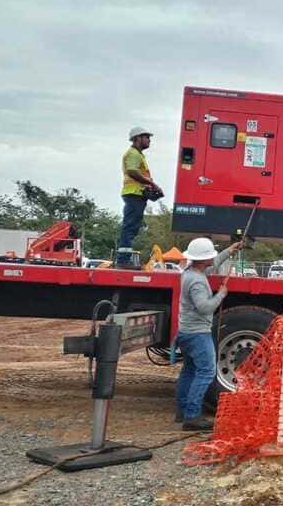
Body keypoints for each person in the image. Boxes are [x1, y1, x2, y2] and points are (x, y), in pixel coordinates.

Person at [175, 237, 243, 430]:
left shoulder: (190, 273)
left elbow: (212, 268)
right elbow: (205, 308)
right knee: (206, 372)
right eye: (211, 255)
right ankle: (192, 417)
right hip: (198, 334)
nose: (213, 259)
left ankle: (182, 412)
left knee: (189, 370)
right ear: (203, 260)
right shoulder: (197, 281)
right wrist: (221, 294)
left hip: (186, 332)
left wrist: (229, 250)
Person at [116, 127, 162, 267]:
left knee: (133, 227)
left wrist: (149, 186)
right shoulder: (133, 154)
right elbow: (132, 171)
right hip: (133, 193)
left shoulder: (138, 155)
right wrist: (151, 183)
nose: (149, 140)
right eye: (146, 137)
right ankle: (123, 260)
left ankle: (124, 258)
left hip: (137, 193)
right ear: (136, 138)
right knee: (130, 226)